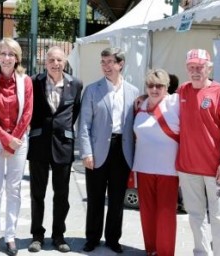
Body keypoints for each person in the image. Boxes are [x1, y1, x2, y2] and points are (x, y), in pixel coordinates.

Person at [78, 47, 139, 253]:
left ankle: (113, 239)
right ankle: (92, 238)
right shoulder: (92, 90)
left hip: (122, 150)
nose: (106, 66)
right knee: (95, 197)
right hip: (97, 150)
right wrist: (86, 152)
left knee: (116, 198)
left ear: (120, 64)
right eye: (103, 62)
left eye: (110, 62)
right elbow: (84, 124)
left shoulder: (132, 91)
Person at [177, 49, 220, 256]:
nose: (195, 71)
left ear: (209, 68)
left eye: (200, 67)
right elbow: (163, 103)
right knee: (195, 217)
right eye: (191, 67)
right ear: (186, 68)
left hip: (215, 168)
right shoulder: (182, 90)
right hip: (187, 167)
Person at [27, 46, 83, 253]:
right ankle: (37, 235)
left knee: (62, 194)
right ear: (45, 61)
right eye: (51, 59)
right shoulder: (33, 82)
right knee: (37, 194)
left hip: (63, 146)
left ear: (65, 61)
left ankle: (59, 235)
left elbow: (74, 110)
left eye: (59, 60)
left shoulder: (76, 84)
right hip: (39, 145)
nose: (55, 63)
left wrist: (62, 129)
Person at [0, 38, 33, 256]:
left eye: (11, 54)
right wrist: (4, 139)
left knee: (14, 189)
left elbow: (28, 112)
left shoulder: (25, 80)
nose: (7, 58)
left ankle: (10, 236)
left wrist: (12, 143)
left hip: (18, 140)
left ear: (17, 57)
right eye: (3, 53)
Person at [133, 69, 179, 256]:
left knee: (166, 214)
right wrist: (144, 96)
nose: (154, 89)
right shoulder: (140, 104)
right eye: (150, 85)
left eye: (159, 85)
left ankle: (165, 252)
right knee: (147, 212)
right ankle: (151, 249)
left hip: (169, 169)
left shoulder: (176, 103)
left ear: (167, 87)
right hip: (144, 167)